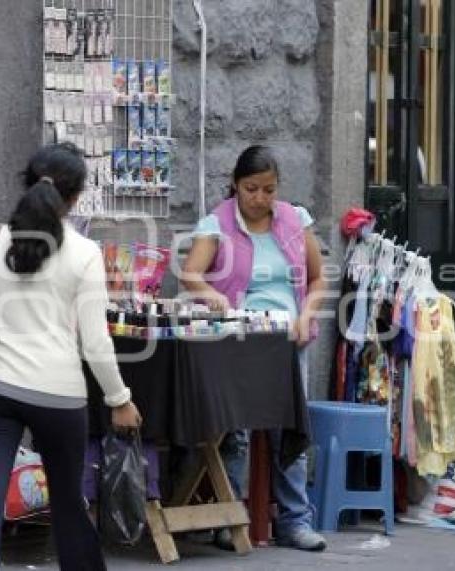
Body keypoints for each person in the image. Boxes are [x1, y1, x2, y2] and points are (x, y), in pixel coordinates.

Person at [0, 143, 141, 571]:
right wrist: (119, 400)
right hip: (59, 396)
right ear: (75, 198)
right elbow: (95, 344)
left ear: (27, 184)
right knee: (69, 503)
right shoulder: (86, 254)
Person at [181, 145, 327, 551]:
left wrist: (305, 315)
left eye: (268, 190)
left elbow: (318, 280)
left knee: (290, 429)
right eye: (251, 189)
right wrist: (212, 295)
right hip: (239, 340)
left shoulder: (295, 220)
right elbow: (192, 273)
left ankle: (295, 521)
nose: (260, 199)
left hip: (288, 339)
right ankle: (234, 519)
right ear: (235, 185)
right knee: (236, 432)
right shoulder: (217, 223)